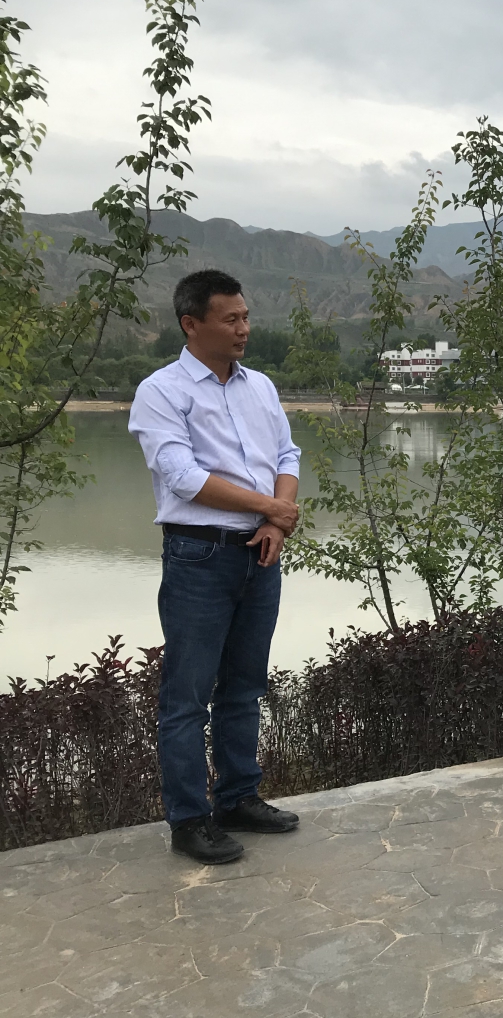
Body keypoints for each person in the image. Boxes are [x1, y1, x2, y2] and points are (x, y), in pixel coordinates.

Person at [128, 269, 303, 865]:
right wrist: (269, 507)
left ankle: (238, 798)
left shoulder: (261, 387)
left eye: (245, 317)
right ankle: (188, 820)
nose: (243, 328)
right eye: (230, 319)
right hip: (198, 556)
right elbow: (182, 476)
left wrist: (276, 521)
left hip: (260, 552)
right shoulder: (162, 391)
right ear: (191, 324)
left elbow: (286, 454)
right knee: (187, 696)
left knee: (245, 687)